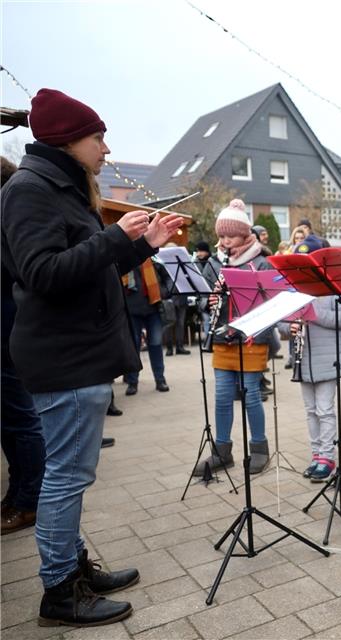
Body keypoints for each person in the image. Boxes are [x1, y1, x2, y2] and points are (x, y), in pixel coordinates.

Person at [1, 88, 182, 626]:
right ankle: (60, 591)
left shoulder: (56, 186)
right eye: (98, 137)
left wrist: (141, 243)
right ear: (68, 140)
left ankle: (74, 565)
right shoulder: (31, 190)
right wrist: (111, 238)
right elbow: (42, 273)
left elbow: (84, 268)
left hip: (75, 350)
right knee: (64, 477)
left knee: (67, 473)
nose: (106, 148)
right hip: (64, 355)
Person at [193, 199, 272, 477]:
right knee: (223, 396)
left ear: (245, 234)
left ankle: (260, 450)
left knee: (251, 395)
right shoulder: (214, 263)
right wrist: (211, 300)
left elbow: (271, 303)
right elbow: (201, 299)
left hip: (252, 338)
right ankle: (222, 452)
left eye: (230, 236)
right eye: (221, 236)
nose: (225, 242)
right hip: (221, 337)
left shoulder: (261, 261)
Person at [1, 155, 46, 537]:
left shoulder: (12, 219)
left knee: (21, 419)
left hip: (8, 331)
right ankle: (18, 492)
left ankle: (28, 499)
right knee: (11, 421)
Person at [294, 289, 341, 482]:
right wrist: (290, 327)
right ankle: (316, 454)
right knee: (310, 411)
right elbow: (283, 324)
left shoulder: (336, 291)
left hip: (329, 359)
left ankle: (327, 457)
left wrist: (312, 312)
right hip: (304, 360)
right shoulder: (297, 291)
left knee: (324, 410)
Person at [121, 256, 170, 395]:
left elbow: (168, 278)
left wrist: (164, 292)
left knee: (155, 344)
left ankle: (160, 380)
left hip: (153, 308)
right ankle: (132, 382)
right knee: (133, 347)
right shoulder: (123, 258)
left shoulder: (154, 259)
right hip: (131, 309)